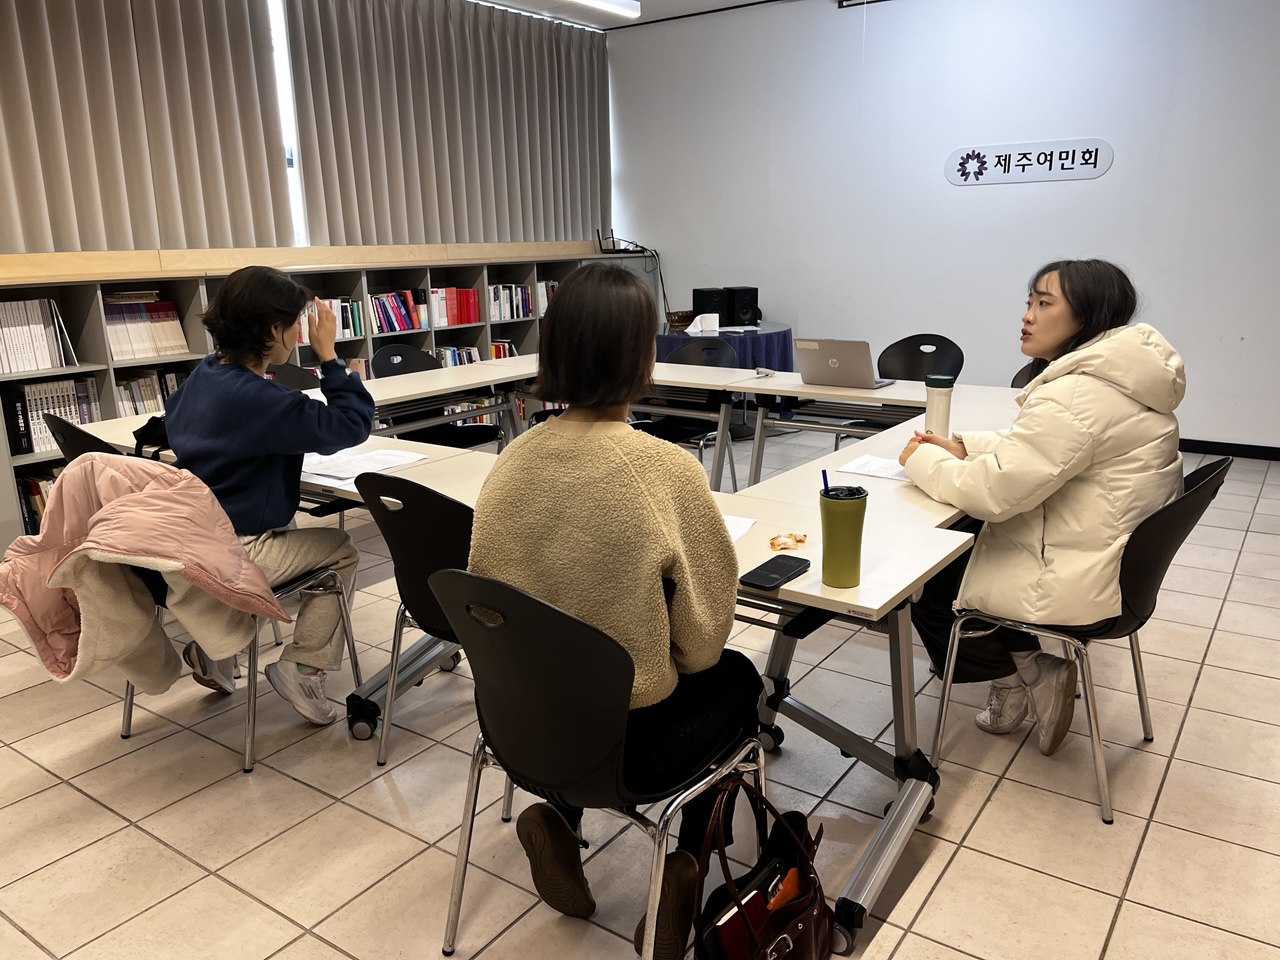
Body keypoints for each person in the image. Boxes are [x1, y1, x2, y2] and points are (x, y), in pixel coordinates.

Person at [468, 262, 763, 960]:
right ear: (642, 355)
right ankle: (683, 867)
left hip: (516, 728)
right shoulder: (664, 470)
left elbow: (493, 600)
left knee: (571, 650)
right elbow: (702, 641)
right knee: (738, 679)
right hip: (633, 748)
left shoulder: (511, 460)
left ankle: (560, 820)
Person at [899, 259, 1184, 756]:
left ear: (1087, 316)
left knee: (927, 577)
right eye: (1029, 301)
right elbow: (1047, 448)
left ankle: (1019, 679)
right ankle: (1031, 669)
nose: (1027, 315)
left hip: (1077, 575)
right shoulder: (1123, 377)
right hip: (1114, 563)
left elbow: (993, 494)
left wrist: (920, 461)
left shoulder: (1077, 394)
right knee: (963, 542)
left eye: (1044, 303)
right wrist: (965, 445)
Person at [165, 265, 375, 724]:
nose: (300, 333)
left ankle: (214, 650)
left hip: (189, 539)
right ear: (274, 330)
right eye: (295, 324)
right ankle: (304, 667)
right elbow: (351, 424)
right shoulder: (262, 401)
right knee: (340, 550)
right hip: (236, 549)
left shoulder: (203, 375)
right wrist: (329, 358)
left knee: (290, 531)